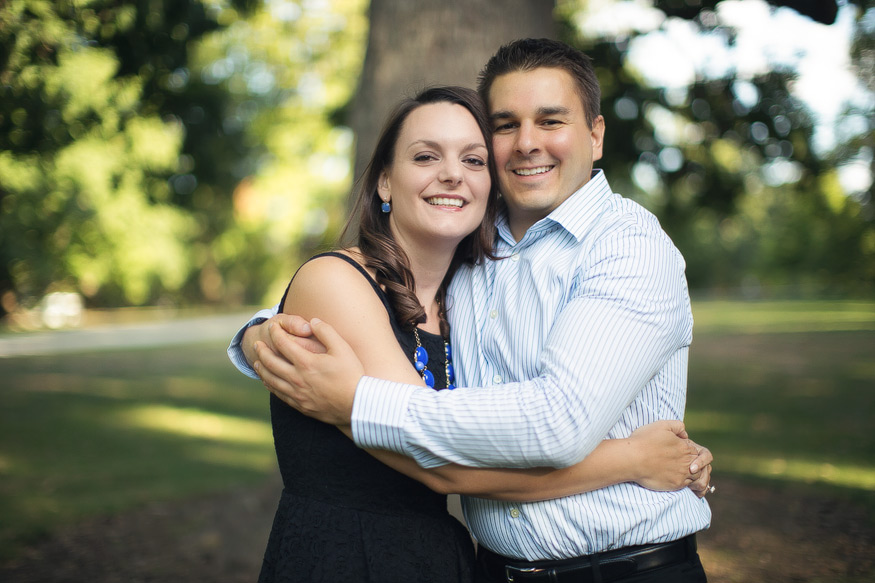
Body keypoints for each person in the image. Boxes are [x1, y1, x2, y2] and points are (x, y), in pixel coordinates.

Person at [234, 39, 714, 582]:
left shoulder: (626, 245)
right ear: (384, 180)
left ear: (596, 135)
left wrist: (352, 400)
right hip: (384, 562)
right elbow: (439, 461)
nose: (527, 143)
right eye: (506, 125)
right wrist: (259, 331)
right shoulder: (476, 259)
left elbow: (557, 425)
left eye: (551, 120)